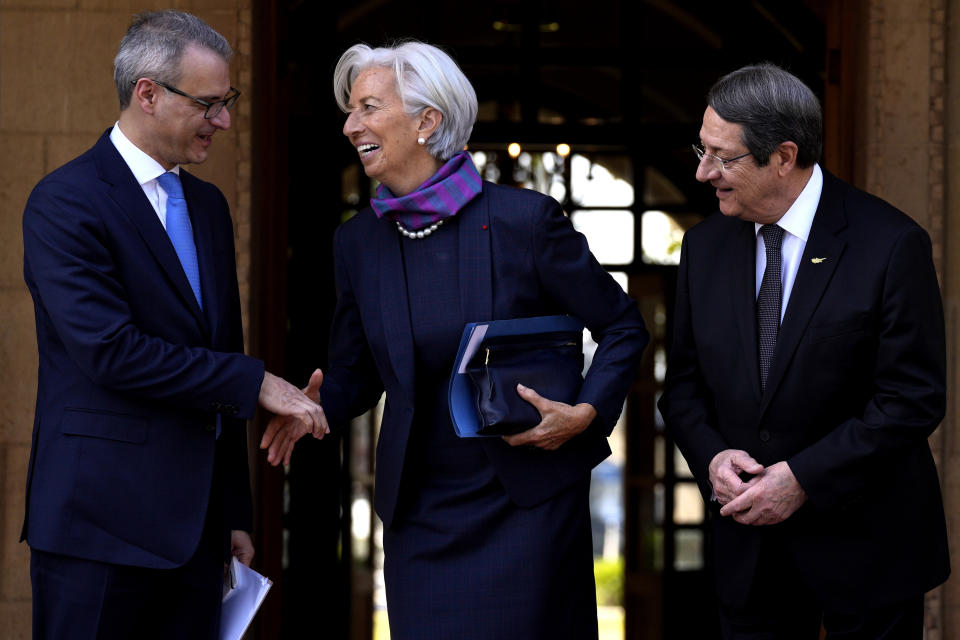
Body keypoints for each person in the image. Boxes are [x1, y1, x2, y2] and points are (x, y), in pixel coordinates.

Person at [260, 41, 648, 639]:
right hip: (422, 514)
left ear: (427, 121)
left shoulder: (526, 222)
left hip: (529, 504)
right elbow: (356, 372)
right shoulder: (357, 242)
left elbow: (623, 325)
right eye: (349, 110)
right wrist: (315, 405)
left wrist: (588, 413)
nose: (349, 125)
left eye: (367, 107)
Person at [21, 11, 324, 639]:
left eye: (229, 102)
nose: (225, 121)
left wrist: (233, 514)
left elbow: (221, 352)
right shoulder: (65, 200)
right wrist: (256, 381)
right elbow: (111, 351)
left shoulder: (209, 207)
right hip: (98, 533)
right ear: (148, 93)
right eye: (210, 104)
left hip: (196, 540)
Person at [658, 63, 949, 638]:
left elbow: (912, 400)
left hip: (868, 551)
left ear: (784, 156)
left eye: (723, 156)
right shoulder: (704, 247)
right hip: (749, 557)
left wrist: (804, 478)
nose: (701, 171)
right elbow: (684, 388)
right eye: (703, 148)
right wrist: (713, 458)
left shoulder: (891, 244)